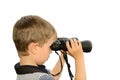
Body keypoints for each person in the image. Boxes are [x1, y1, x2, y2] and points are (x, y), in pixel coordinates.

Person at [13, 15, 86, 80]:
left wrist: (63, 56)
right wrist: (79, 58)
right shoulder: (41, 77)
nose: (51, 51)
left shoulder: (24, 71)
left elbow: (53, 76)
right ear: (34, 48)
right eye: (50, 46)